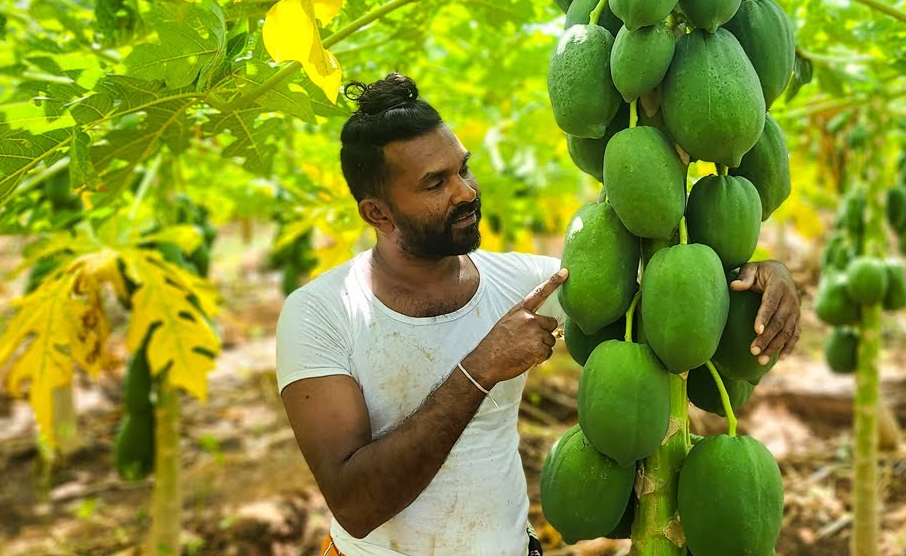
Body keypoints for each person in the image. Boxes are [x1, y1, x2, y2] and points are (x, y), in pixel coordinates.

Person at [276, 73, 803, 556]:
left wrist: (766, 274)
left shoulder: (525, 282)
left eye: (463, 168)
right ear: (377, 212)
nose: (466, 192)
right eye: (436, 184)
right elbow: (356, 504)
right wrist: (479, 369)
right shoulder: (321, 313)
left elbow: (673, 298)